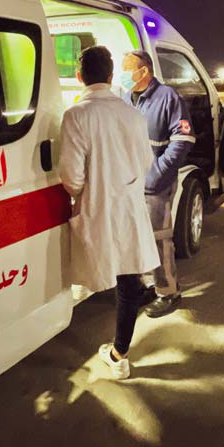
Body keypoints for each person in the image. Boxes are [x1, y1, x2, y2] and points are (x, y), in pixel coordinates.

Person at [59, 46, 160, 379]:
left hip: (97, 209)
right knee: (128, 280)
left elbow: (71, 179)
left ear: (79, 77)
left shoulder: (76, 115)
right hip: (129, 208)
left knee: (96, 271)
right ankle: (120, 354)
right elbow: (147, 162)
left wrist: (90, 191)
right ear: (112, 75)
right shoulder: (132, 114)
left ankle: (111, 352)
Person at [120, 50, 195, 318]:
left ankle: (168, 291)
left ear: (144, 71)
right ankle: (146, 286)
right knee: (136, 238)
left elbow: (183, 141)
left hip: (156, 185)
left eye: (127, 70)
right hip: (130, 184)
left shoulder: (168, 98)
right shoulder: (126, 98)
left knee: (159, 240)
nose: (123, 75)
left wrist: (157, 175)